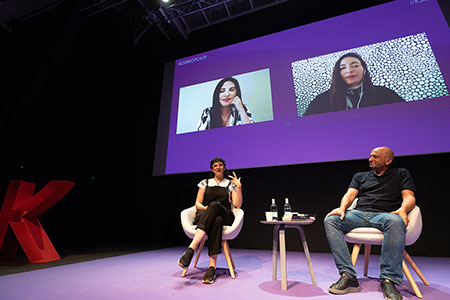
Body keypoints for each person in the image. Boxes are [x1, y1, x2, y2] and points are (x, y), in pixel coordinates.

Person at [324, 146, 416, 300]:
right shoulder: (360, 176)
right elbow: (350, 194)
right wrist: (342, 208)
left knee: (395, 221)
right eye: (370, 156)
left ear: (388, 160)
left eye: (375, 157)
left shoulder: (401, 174)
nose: (370, 159)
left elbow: (409, 197)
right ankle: (348, 276)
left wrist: (403, 209)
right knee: (331, 220)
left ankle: (388, 280)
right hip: (359, 214)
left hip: (384, 215)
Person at [178, 157, 243, 284]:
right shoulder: (205, 183)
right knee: (216, 220)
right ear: (212, 170)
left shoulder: (230, 184)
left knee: (216, 207)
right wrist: (209, 210)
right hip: (207, 216)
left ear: (224, 168)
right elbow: (197, 203)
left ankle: (192, 248)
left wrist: (238, 187)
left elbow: (237, 205)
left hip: (226, 215)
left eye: (220, 165)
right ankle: (211, 268)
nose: (218, 167)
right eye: (215, 166)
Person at [303, 53, 405, 116]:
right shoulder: (322, 99)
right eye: (343, 68)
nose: (349, 70)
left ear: (364, 70)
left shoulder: (385, 94)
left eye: (355, 65)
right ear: (337, 73)